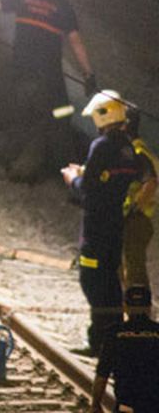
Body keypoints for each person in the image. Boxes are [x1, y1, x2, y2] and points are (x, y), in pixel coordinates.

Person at [0, 0, 94, 182]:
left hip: (19, 69)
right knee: (57, 117)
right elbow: (76, 43)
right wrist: (88, 75)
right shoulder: (64, 8)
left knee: (20, 114)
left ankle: (2, 161)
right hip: (48, 76)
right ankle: (55, 175)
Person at [62, 91, 143, 356]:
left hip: (95, 228)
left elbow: (87, 188)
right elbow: (115, 178)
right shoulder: (129, 148)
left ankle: (99, 341)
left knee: (92, 280)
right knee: (109, 281)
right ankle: (116, 339)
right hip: (115, 226)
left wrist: (73, 178)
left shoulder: (102, 145)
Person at [91, 286, 159, 412]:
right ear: (149, 307)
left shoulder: (114, 333)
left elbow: (102, 374)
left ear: (125, 307)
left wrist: (95, 404)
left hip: (126, 406)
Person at [121, 108, 157, 289]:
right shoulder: (135, 150)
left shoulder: (137, 152)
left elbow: (150, 183)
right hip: (135, 219)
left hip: (136, 221)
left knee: (134, 274)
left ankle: (139, 314)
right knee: (127, 270)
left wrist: (132, 210)